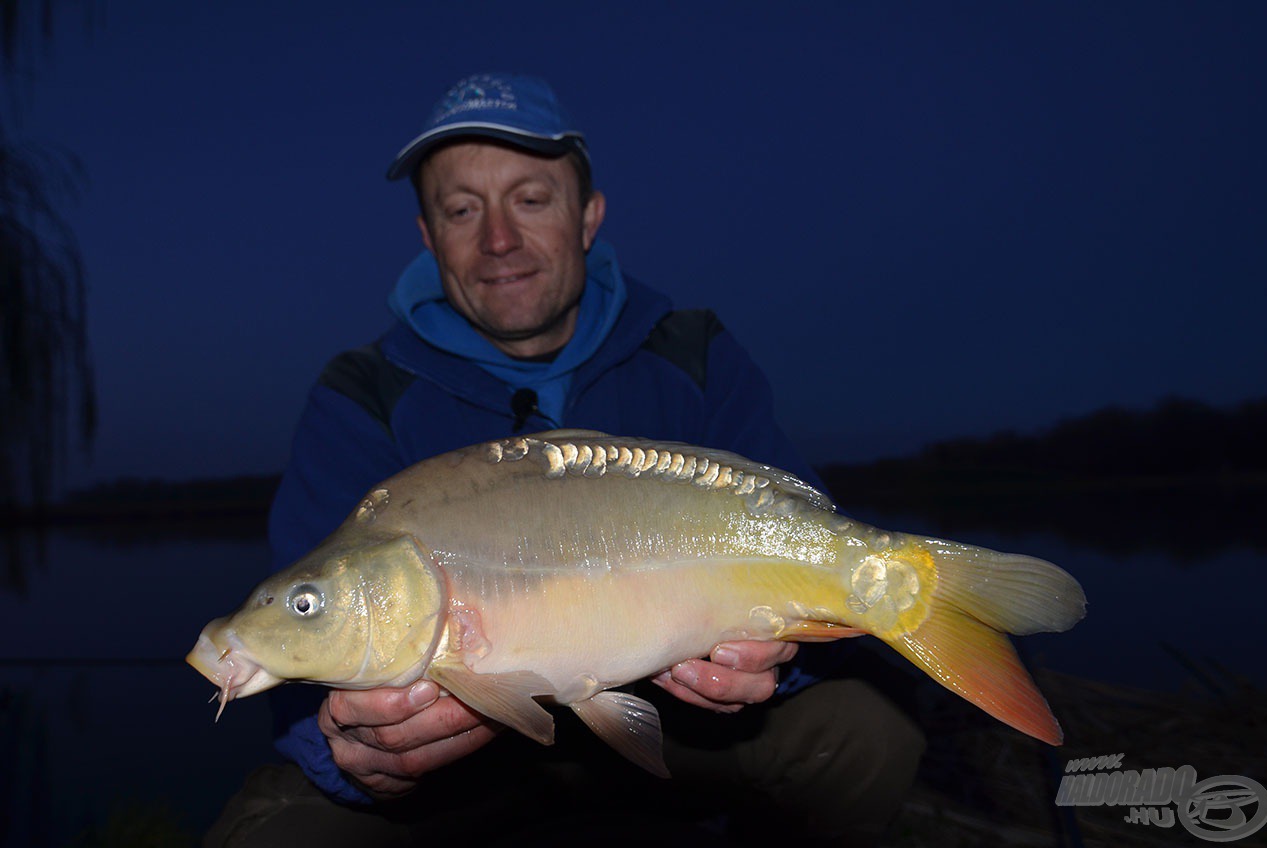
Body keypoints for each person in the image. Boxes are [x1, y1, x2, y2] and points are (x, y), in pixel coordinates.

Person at [206, 73, 924, 847]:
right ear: (427, 235)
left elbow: (808, 536)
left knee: (868, 728)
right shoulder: (362, 397)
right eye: (461, 209)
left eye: (531, 199)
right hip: (458, 775)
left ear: (589, 216)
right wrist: (353, 752)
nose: (498, 240)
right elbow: (303, 701)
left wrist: (775, 663)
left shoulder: (691, 355)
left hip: (686, 739)